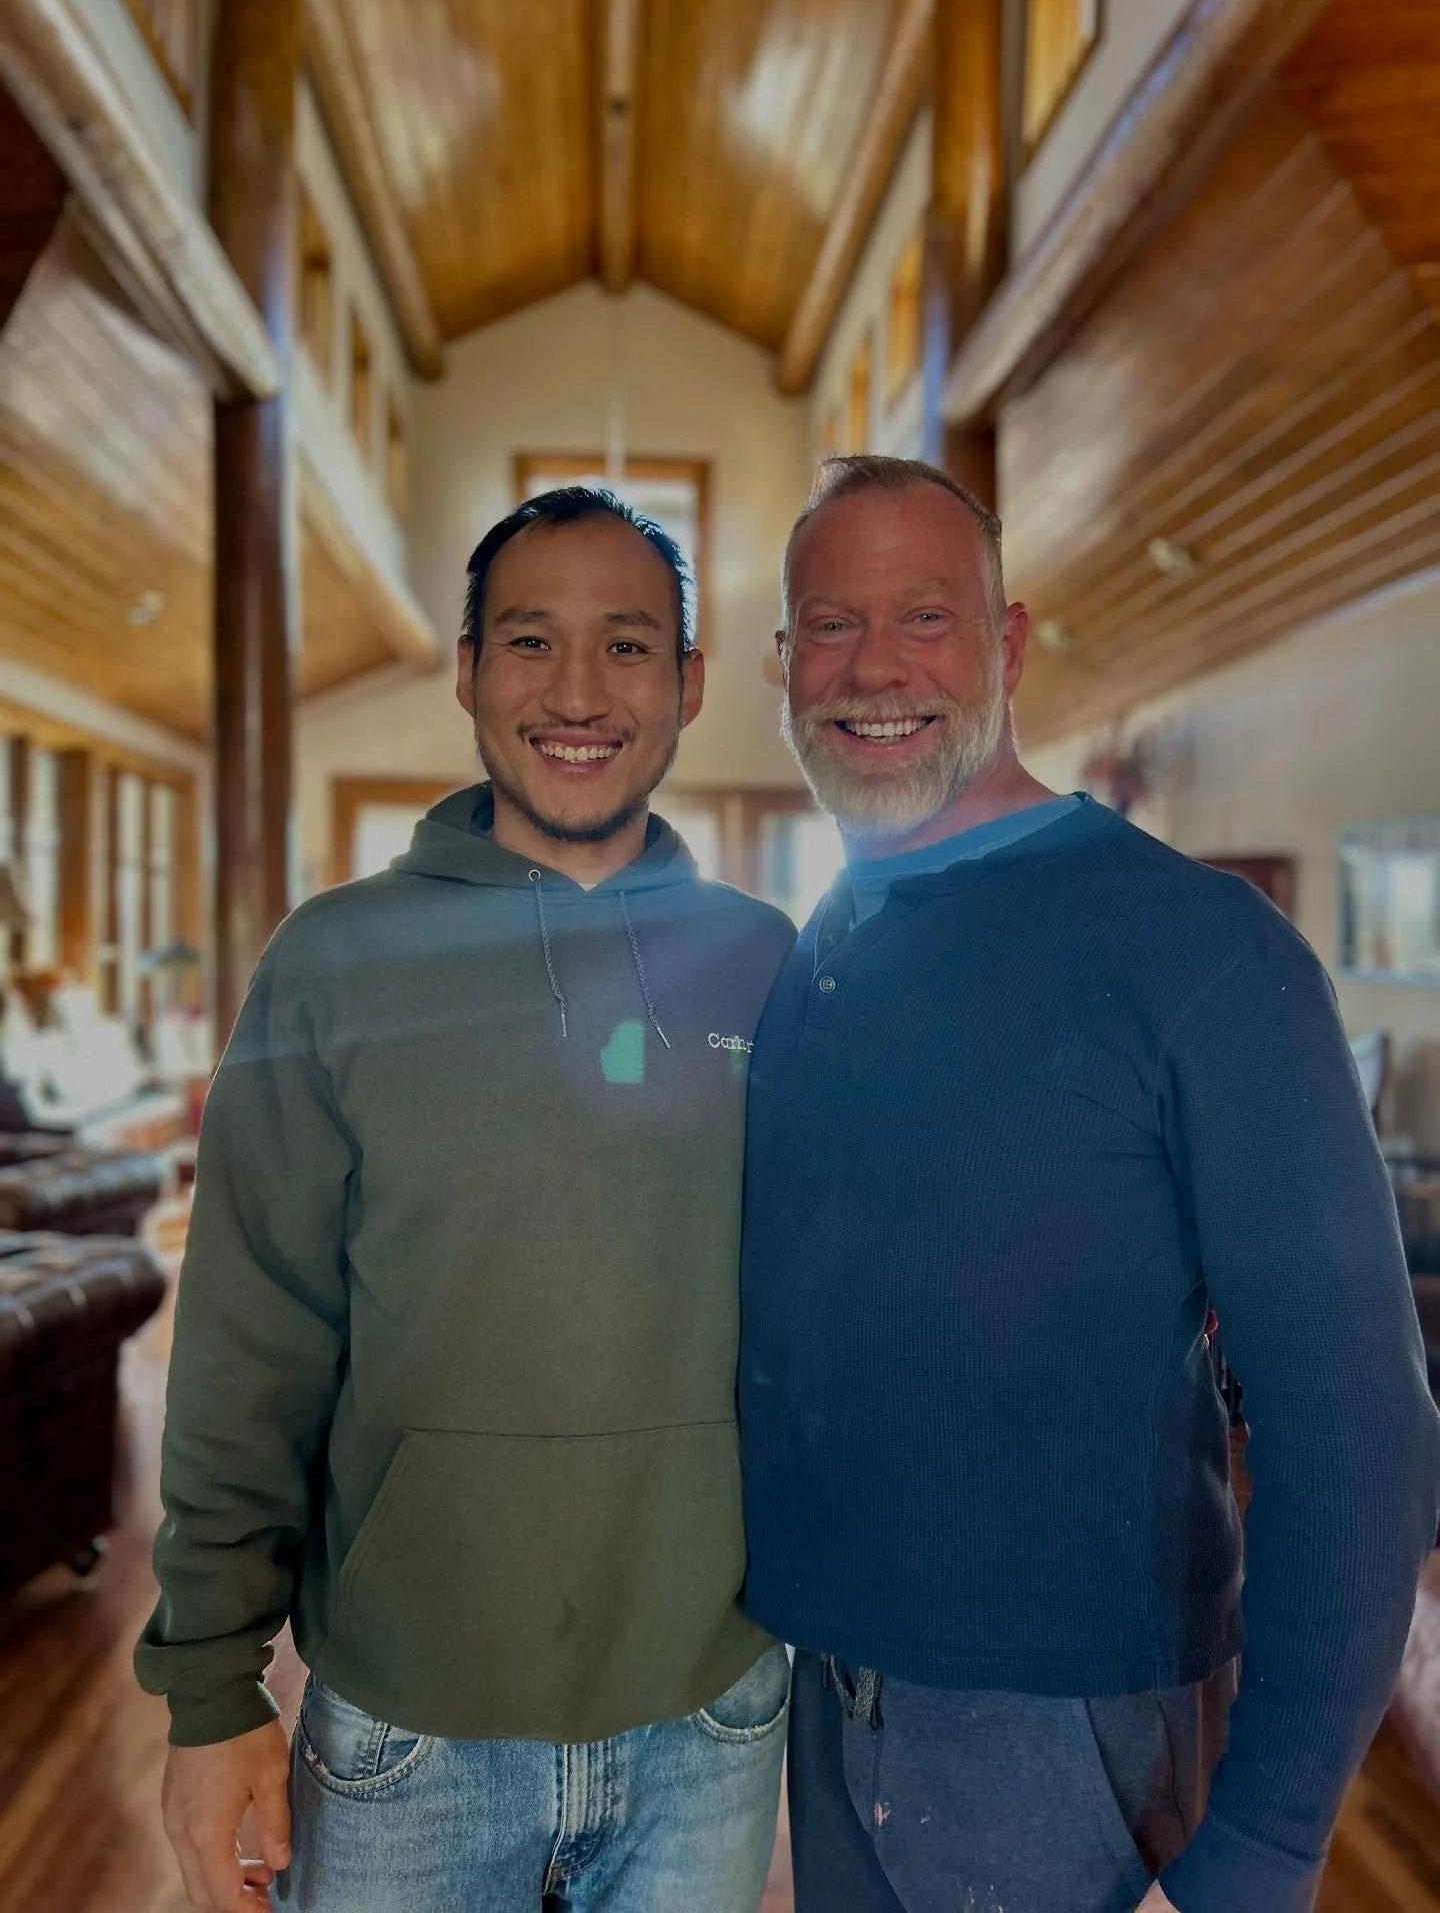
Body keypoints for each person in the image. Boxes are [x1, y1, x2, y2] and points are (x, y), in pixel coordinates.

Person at [738, 454, 1440, 1913]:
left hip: (1066, 1742)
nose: (873, 666)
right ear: (780, 665)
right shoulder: (824, 942)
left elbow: (1361, 1432)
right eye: (830, 624)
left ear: (1005, 643)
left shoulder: (1206, 955)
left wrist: (1261, 1853)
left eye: (924, 617)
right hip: (824, 1700)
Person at [138, 487, 796, 1913]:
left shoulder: (771, 964)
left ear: (688, 685)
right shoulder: (333, 963)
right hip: (406, 1730)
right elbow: (250, 1340)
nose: (575, 692)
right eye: (528, 641)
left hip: (714, 1715)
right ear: (466, 670)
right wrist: (209, 1689)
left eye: (627, 647)